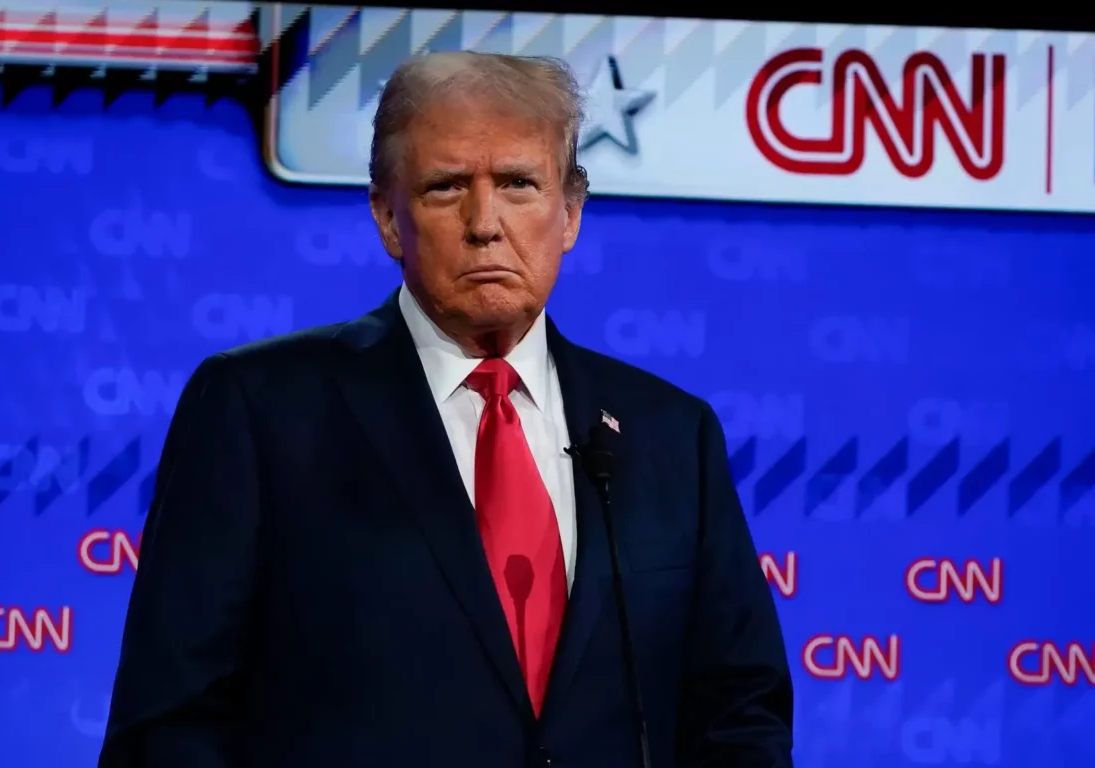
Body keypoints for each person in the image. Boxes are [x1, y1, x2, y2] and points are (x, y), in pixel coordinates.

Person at [98, 51, 793, 768]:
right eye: (445, 187)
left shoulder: (670, 434)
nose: (484, 221)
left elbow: (740, 713)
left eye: (520, 183)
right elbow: (170, 726)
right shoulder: (260, 410)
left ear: (571, 213)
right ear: (388, 219)